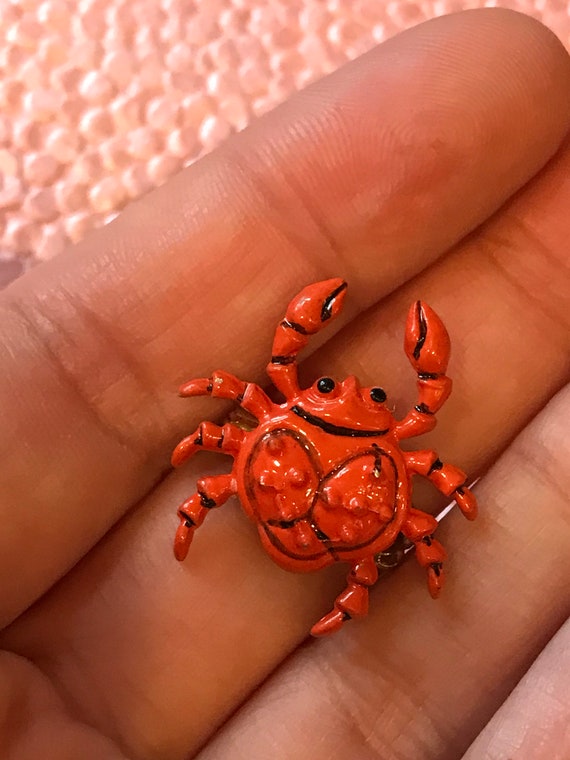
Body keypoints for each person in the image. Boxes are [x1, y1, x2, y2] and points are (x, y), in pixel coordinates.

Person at [0, 8, 568, 759]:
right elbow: (430, 476)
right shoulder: (398, 441)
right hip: (333, 526)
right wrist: (452, 502)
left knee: (229, 445)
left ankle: (326, 581)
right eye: (337, 385)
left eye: (361, 394)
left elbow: (237, 399)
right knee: (394, 523)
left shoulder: (286, 405)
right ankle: (349, 592)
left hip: (282, 498)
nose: (355, 392)